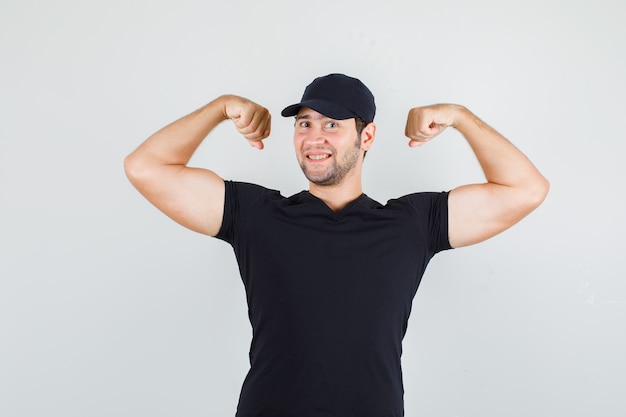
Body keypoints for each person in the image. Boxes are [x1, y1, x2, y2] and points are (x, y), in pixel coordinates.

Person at [124, 73, 549, 416]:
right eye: (304, 123)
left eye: (332, 124)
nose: (314, 137)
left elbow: (525, 189)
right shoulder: (256, 215)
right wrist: (220, 108)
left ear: (366, 137)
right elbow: (144, 167)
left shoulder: (412, 224)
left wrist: (459, 116)